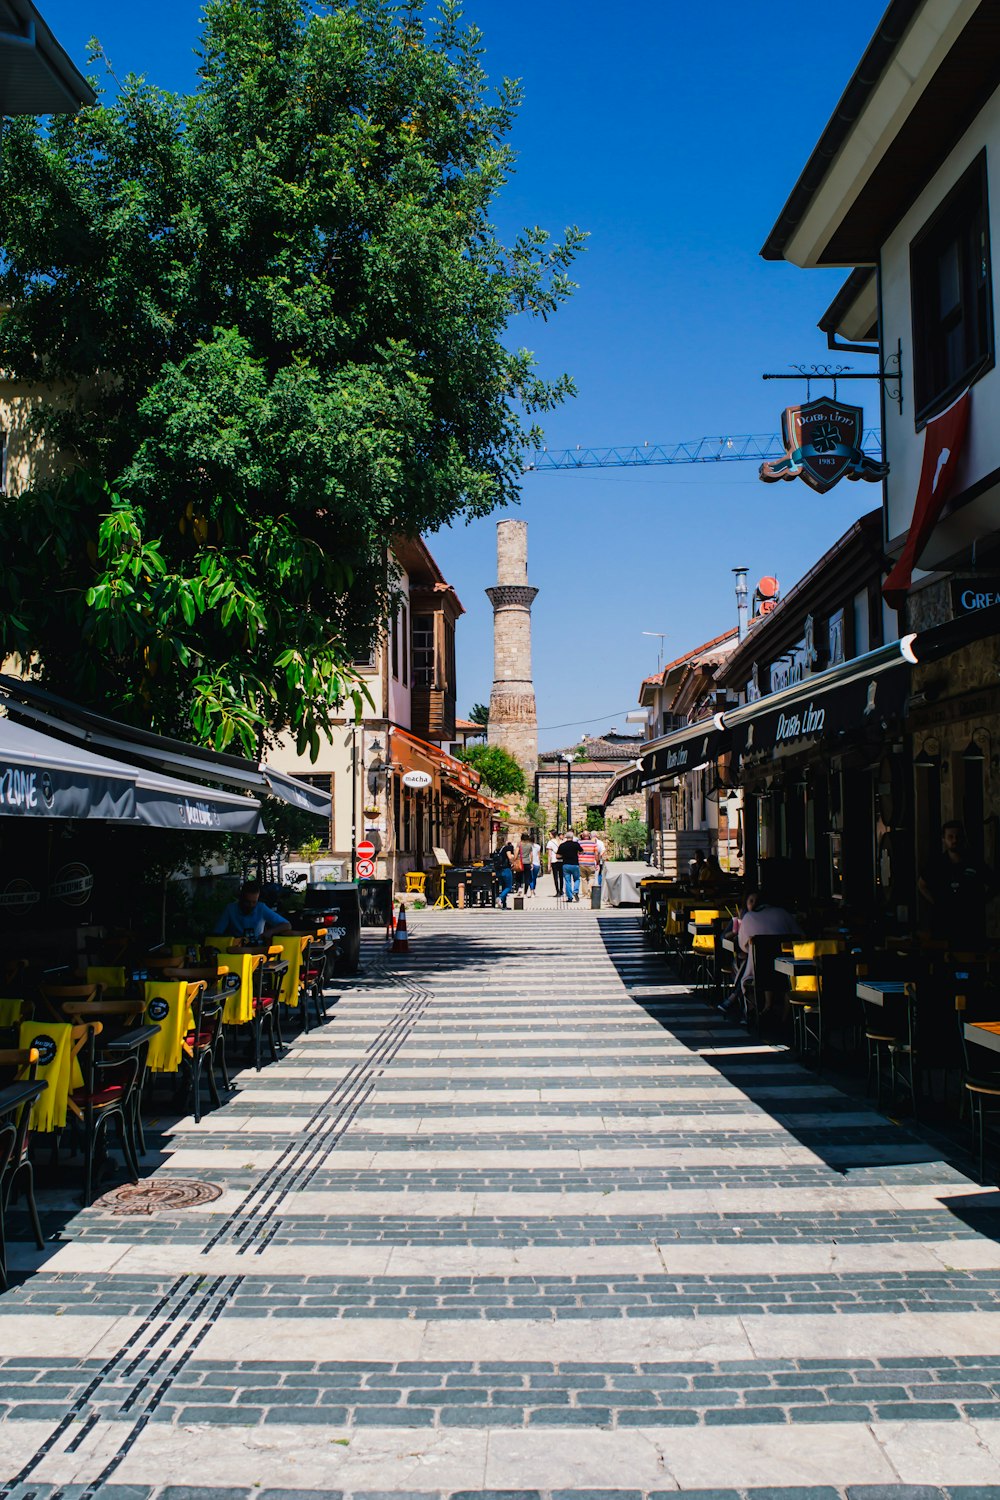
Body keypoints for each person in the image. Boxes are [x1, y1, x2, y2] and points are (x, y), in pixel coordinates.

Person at [918, 821, 997, 949]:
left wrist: (980, 902)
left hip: (970, 924)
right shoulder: (937, 864)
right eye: (950, 837)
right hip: (944, 923)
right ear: (944, 839)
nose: (954, 840)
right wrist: (936, 902)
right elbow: (921, 884)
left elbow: (995, 884)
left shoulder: (974, 862)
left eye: (958, 837)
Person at [737, 892, 802, 1023]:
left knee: (744, 969)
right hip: (785, 973)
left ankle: (753, 1011)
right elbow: (800, 937)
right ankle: (785, 1018)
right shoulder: (783, 913)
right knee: (785, 981)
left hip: (760, 972)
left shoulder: (749, 917)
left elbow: (743, 946)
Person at [214, 881, 292, 942]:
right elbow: (217, 934)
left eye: (254, 902)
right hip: (237, 948)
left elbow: (287, 925)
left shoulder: (261, 907)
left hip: (257, 949)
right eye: (247, 902)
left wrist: (270, 932)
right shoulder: (230, 909)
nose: (251, 905)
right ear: (241, 898)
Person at [558, 829, 583, 903]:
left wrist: (564, 856)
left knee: (567, 881)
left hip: (566, 864)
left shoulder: (562, 845)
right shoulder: (576, 844)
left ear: (566, 837)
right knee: (577, 879)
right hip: (575, 864)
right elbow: (582, 851)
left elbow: (557, 856)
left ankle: (569, 897)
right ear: (572, 837)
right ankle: (575, 891)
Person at [493, 842, 515, 909]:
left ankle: (504, 904)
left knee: (503, 887)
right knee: (508, 887)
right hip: (506, 869)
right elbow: (509, 857)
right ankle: (500, 898)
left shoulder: (497, 850)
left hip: (499, 870)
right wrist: (513, 860)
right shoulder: (506, 848)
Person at [578, 830, 598, 895]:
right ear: (589, 836)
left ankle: (585, 893)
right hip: (591, 863)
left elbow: (577, 853)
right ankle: (589, 888)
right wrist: (597, 863)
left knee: (583, 878)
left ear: (582, 836)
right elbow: (596, 854)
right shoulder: (593, 844)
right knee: (592, 877)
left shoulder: (579, 843)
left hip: (581, 863)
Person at [547, 833, 564, 897]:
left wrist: (549, 864)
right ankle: (561, 890)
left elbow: (549, 854)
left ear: (552, 835)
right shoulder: (561, 841)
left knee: (555, 877)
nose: (549, 836)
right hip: (561, 860)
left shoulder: (550, 842)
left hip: (554, 860)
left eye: (550, 834)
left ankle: (558, 891)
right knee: (561, 876)